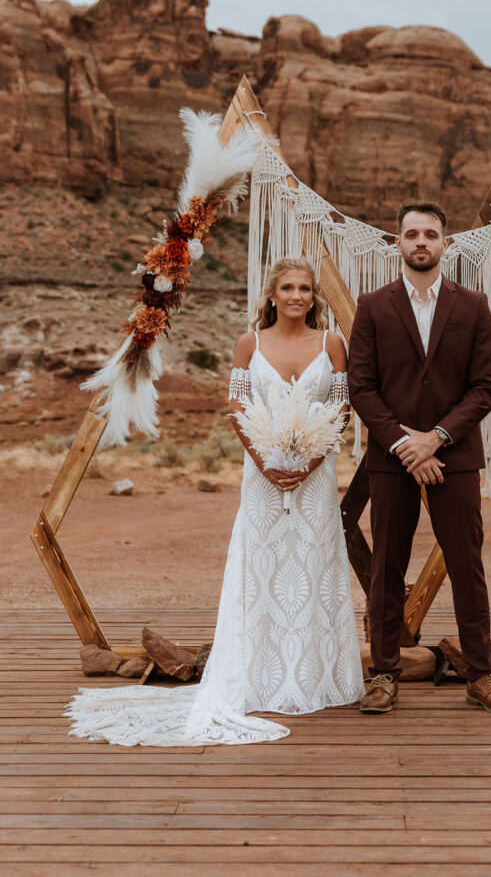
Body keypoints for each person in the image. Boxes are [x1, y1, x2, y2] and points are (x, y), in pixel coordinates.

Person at [66, 257, 364, 745]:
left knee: (312, 570)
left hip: (314, 476)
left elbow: (342, 409)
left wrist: (309, 463)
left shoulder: (332, 344)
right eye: (287, 287)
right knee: (262, 568)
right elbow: (237, 410)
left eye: (305, 288)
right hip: (262, 474)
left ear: (314, 296)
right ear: (271, 295)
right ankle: (259, 677)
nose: (296, 296)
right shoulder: (250, 343)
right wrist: (267, 465)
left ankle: (313, 677)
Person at [348, 202, 491, 716]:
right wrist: (407, 444)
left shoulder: (473, 305)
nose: (420, 242)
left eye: (430, 234)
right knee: (386, 567)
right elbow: (362, 387)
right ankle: (382, 674)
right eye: (411, 234)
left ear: (445, 244)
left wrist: (437, 437)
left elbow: (486, 386)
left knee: (467, 565)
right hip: (392, 458)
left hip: (455, 458)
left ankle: (481, 675)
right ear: (397, 244)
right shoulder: (373, 306)